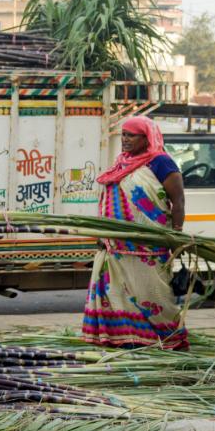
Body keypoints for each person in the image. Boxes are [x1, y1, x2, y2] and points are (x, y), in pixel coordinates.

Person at [81, 116, 188, 349]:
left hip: (149, 246)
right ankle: (124, 340)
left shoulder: (161, 162)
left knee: (153, 295)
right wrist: (102, 234)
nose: (125, 139)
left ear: (146, 138)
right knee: (116, 294)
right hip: (116, 247)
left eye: (131, 135)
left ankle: (165, 340)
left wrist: (177, 236)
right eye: (123, 134)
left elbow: (178, 201)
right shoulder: (122, 162)